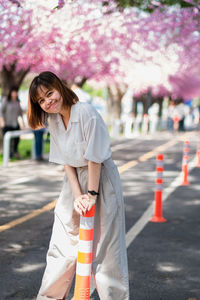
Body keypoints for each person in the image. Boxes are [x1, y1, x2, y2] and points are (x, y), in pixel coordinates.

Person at [27, 71, 129, 300]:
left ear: (59, 87)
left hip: (100, 177)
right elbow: (65, 161)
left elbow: (95, 157)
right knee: (62, 240)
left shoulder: (86, 112)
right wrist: (77, 196)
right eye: (41, 101)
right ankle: (49, 297)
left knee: (107, 247)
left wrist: (91, 194)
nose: (47, 102)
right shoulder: (53, 120)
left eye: (49, 93)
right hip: (72, 181)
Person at [0, 87, 24, 158]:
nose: (15, 94)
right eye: (13, 92)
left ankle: (15, 152)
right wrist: (2, 121)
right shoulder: (6, 100)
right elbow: (0, 111)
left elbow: (20, 113)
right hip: (7, 124)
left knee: (17, 139)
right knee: (7, 140)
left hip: (15, 124)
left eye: (16, 92)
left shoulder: (17, 102)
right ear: (10, 93)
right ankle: (7, 155)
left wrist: (23, 123)